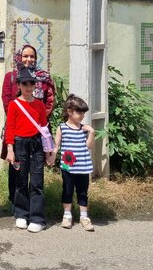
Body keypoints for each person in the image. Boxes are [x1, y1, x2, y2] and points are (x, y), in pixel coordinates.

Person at [1, 44, 55, 205]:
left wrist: (36, 119)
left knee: (36, 168)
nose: (28, 59)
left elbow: (49, 101)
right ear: (19, 57)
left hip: (38, 129)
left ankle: (34, 202)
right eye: (25, 56)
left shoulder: (44, 78)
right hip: (16, 129)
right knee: (16, 167)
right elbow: (6, 100)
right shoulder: (11, 77)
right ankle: (15, 201)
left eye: (32, 56)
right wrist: (19, 118)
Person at [4, 66, 53, 233]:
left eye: (31, 84)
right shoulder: (14, 105)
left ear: (35, 86)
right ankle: (21, 214)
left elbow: (44, 129)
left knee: (37, 181)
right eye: (24, 84)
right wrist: (10, 149)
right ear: (19, 85)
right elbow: (10, 128)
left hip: (37, 145)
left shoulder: (39, 105)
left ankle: (37, 218)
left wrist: (49, 151)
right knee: (20, 180)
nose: (28, 87)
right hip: (19, 145)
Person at [53, 94, 95, 231]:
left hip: (83, 166)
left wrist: (92, 133)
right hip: (67, 167)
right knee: (67, 190)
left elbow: (89, 146)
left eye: (83, 112)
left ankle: (84, 216)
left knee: (83, 192)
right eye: (79, 112)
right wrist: (52, 157)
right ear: (70, 112)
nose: (82, 115)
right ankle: (67, 215)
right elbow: (56, 145)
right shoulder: (62, 128)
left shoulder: (84, 129)